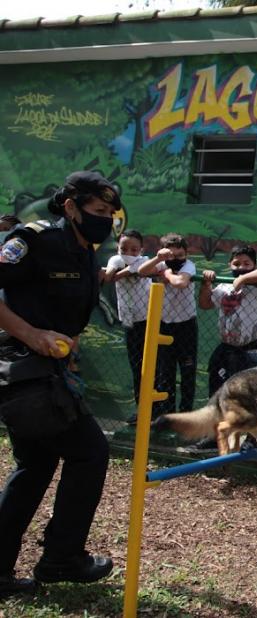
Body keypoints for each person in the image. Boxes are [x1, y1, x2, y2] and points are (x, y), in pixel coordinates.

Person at [0, 171, 120, 597]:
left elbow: (70, 315)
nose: (105, 220)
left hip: (52, 373)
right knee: (90, 452)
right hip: (23, 371)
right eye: (97, 211)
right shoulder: (34, 241)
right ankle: (61, 557)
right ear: (70, 206)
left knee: (34, 467)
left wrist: (70, 344)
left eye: (110, 213)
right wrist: (32, 335)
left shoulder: (86, 254)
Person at [188, 245, 257, 453]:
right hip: (227, 348)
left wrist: (244, 279)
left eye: (247, 264)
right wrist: (206, 283)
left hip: (252, 348)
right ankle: (214, 436)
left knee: (253, 396)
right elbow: (205, 304)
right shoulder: (224, 287)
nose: (241, 267)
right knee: (217, 393)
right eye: (237, 264)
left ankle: (251, 439)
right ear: (230, 264)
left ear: (255, 265)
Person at [138, 233, 197, 418]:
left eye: (180, 255)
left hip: (186, 326)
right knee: (166, 372)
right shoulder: (161, 263)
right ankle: (167, 415)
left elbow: (180, 282)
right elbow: (141, 271)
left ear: (186, 254)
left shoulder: (188, 265)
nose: (176, 259)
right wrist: (159, 259)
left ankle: (186, 415)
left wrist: (167, 274)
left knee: (187, 371)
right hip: (164, 325)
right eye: (171, 256)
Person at [102, 229, 150, 408]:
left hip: (149, 321)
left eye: (134, 250)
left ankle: (156, 410)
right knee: (137, 368)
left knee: (153, 367)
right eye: (124, 249)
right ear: (118, 248)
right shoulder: (115, 260)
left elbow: (137, 268)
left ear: (141, 250)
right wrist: (119, 270)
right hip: (130, 322)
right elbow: (108, 277)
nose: (129, 253)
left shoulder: (145, 261)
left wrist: (123, 273)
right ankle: (141, 409)